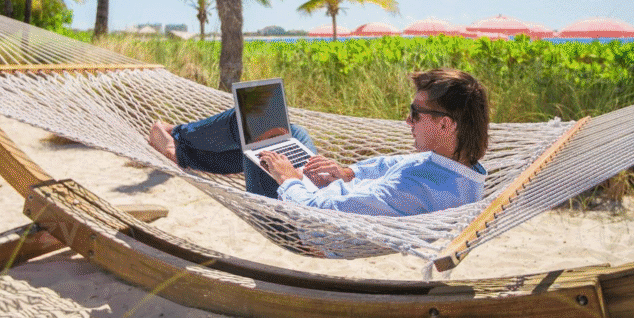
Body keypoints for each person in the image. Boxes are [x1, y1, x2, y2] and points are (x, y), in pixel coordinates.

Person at [148, 68, 489, 217]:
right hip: (319, 194)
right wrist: (346, 173)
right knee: (282, 135)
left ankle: (178, 138)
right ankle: (182, 151)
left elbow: (321, 213)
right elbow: (386, 167)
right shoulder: (456, 169)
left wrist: (290, 178)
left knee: (257, 124)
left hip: (298, 220)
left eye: (416, 114)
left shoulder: (414, 188)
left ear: (445, 124)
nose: (407, 121)